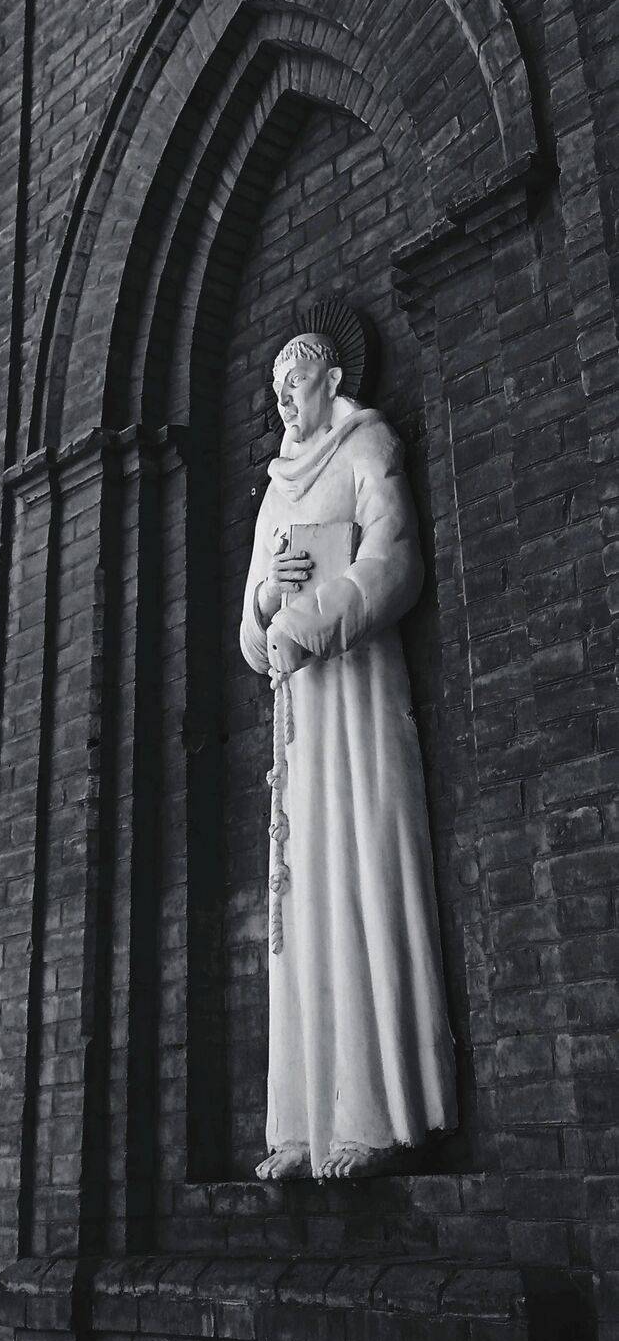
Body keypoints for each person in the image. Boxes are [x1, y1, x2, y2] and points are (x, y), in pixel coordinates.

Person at [240, 332, 457, 1179]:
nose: (282, 397)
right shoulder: (274, 489)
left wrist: (310, 618)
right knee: (304, 897)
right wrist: (268, 596)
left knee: (360, 868)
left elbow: (394, 560)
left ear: (329, 379)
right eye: (274, 386)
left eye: (293, 381)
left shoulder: (367, 445)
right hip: (298, 711)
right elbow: (248, 630)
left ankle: (373, 1114)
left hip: (356, 691)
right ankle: (305, 1121)